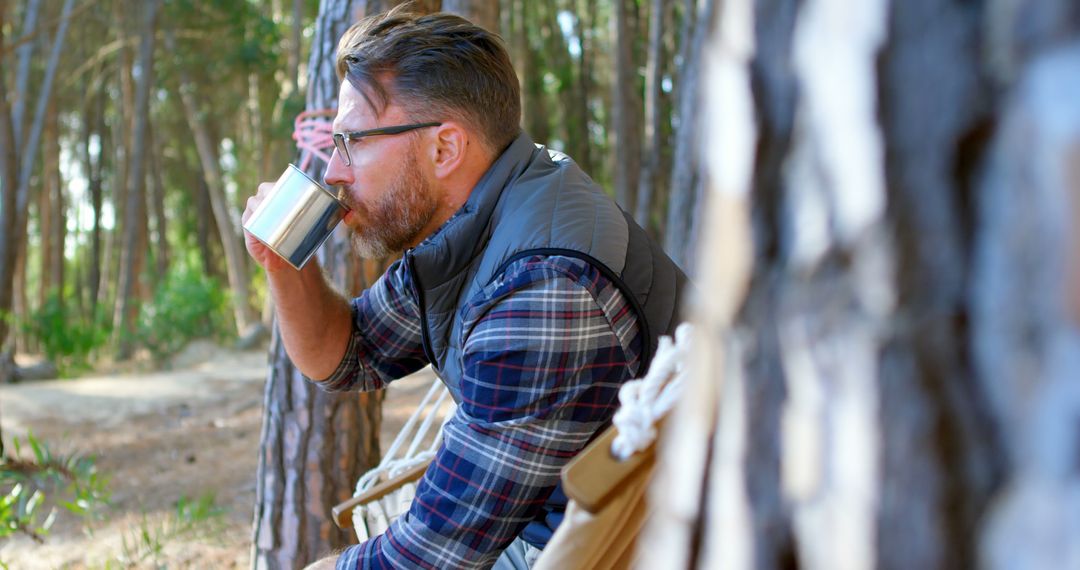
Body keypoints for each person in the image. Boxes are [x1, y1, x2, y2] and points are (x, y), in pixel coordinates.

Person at [243, 6, 686, 570]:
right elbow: (348, 355)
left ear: (444, 148)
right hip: (566, 530)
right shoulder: (476, 222)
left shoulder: (541, 289)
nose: (333, 171)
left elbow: (428, 559)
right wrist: (285, 264)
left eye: (352, 142)